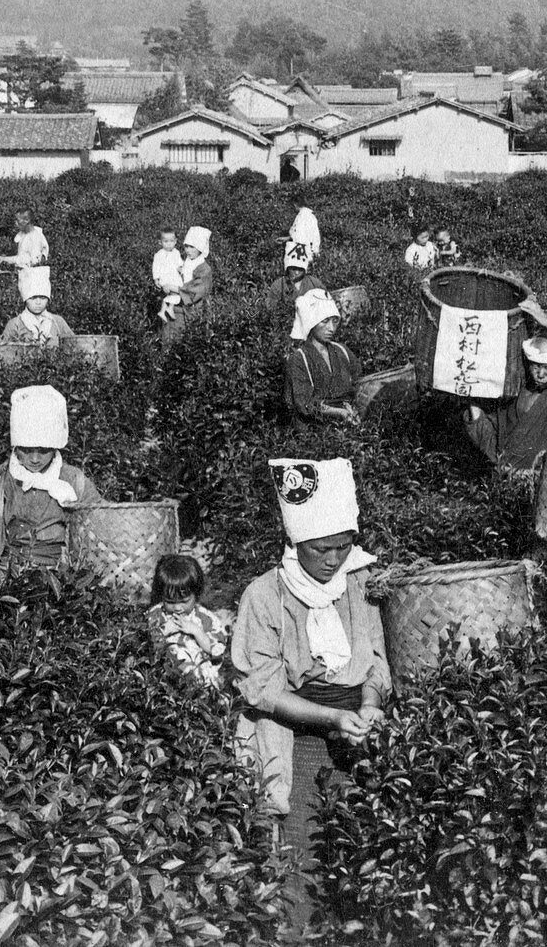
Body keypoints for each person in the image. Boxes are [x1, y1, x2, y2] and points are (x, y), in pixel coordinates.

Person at [232, 457, 390, 851]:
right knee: (303, 841)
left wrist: (369, 704)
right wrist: (332, 716)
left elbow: (376, 658)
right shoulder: (265, 595)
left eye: (343, 547)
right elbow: (263, 691)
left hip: (355, 730)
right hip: (294, 730)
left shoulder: (360, 582)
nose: (333, 560)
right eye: (321, 550)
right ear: (295, 542)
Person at [0, 385, 102, 574]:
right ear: (16, 446)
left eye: (43, 450)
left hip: (60, 571)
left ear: (55, 447)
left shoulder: (74, 481)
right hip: (5, 567)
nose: (35, 459)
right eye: (26, 450)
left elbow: (100, 527)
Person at [462, 298, 547, 471]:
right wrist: (472, 402)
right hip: (505, 481)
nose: (540, 374)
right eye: (536, 366)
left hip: (543, 482)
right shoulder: (517, 391)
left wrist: (546, 321)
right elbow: (491, 437)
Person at [147, 554, 234, 689]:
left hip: (200, 675)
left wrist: (196, 631)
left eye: (184, 601)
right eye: (170, 602)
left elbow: (215, 650)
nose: (177, 608)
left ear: (196, 594)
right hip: (167, 675)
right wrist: (163, 630)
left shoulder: (205, 618)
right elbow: (145, 643)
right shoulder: (156, 615)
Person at [284, 289, 362, 429]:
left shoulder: (343, 351)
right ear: (311, 322)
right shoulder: (299, 359)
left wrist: (352, 407)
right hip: (315, 431)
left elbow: (359, 384)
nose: (331, 328)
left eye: (334, 321)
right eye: (324, 322)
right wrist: (339, 412)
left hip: (346, 425)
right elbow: (304, 403)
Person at [160, 226, 213, 349]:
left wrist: (174, 288)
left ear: (200, 248)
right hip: (175, 310)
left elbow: (195, 292)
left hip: (191, 313)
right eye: (186, 246)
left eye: (192, 247)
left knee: (183, 345)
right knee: (168, 342)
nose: (188, 250)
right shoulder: (186, 263)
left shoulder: (204, 269)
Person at [0, 267, 76, 348]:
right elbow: (3, 352)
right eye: (33, 298)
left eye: (43, 298)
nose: (38, 302)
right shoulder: (15, 324)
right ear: (25, 299)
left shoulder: (57, 322)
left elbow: (74, 345)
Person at [265, 241, 326, 317]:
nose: (296, 273)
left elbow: (326, 303)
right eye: (293, 269)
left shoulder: (315, 283)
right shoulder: (278, 285)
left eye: (300, 269)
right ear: (287, 268)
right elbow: (271, 309)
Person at [151, 227, 185, 294]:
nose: (169, 244)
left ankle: (172, 303)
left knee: (177, 292)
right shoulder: (159, 254)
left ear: (175, 241)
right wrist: (156, 278)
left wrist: (181, 268)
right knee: (171, 292)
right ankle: (172, 302)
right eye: (166, 241)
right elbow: (155, 267)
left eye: (171, 241)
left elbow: (180, 263)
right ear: (160, 242)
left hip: (175, 277)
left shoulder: (176, 252)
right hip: (165, 277)